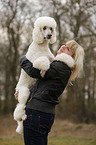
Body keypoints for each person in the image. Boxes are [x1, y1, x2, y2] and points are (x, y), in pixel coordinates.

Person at [15, 40, 84, 145]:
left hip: (36, 114)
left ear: (72, 57)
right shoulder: (62, 69)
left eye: (68, 49)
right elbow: (42, 88)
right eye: (65, 45)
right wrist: (23, 93)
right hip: (43, 115)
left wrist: (22, 58)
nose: (63, 47)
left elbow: (33, 71)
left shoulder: (60, 67)